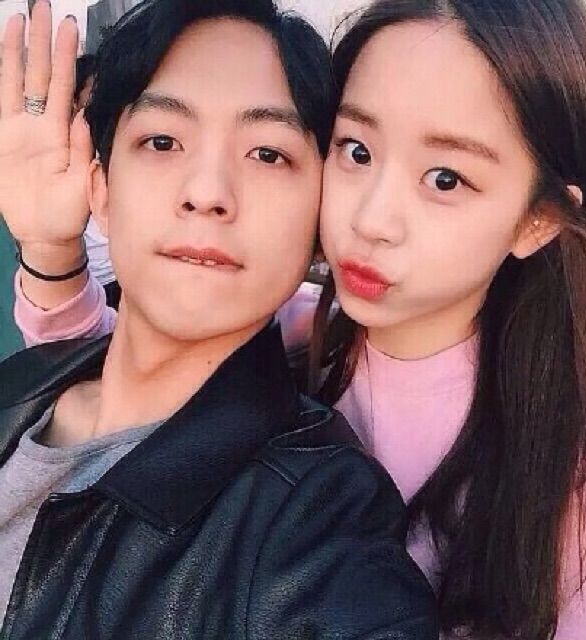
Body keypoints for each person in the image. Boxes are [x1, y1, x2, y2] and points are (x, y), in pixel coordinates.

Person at [8, 0, 586, 638]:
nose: (372, 219)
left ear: (538, 219)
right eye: (357, 151)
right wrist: (51, 250)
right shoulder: (293, 336)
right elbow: (125, 390)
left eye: (446, 179)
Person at [0, 1, 439, 637]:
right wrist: (47, 250)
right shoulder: (25, 389)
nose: (207, 192)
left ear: (321, 215)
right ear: (101, 188)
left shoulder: (314, 516)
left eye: (267, 154)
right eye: (162, 142)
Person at [74, 53, 121, 308]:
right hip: (86, 283)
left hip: (120, 276)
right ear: (75, 100)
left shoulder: (122, 139)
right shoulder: (61, 156)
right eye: (94, 93)